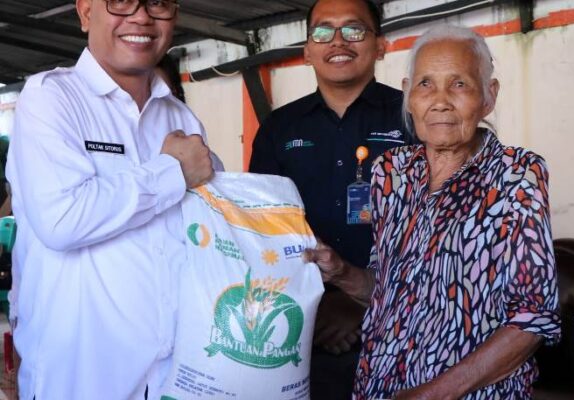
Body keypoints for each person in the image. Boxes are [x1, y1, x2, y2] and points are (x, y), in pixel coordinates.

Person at [313, 25, 561, 399]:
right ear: (409, 96)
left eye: (459, 84)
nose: (440, 100)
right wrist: (342, 273)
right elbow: (386, 291)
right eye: (425, 84)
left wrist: (433, 394)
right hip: (379, 388)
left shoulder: (516, 175)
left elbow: (532, 319)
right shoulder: (391, 172)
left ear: (488, 96)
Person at [6, 0, 215, 398]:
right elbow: (63, 219)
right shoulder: (52, 98)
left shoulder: (181, 119)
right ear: (85, 12)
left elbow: (206, 226)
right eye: (121, 1)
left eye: (157, 3)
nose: (141, 16)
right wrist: (173, 172)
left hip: (174, 376)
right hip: (82, 378)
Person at [248, 0, 410, 398]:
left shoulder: (412, 119)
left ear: (380, 45)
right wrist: (311, 310)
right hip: (301, 331)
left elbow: (435, 227)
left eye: (354, 30)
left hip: (397, 327)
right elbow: (259, 230)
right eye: (323, 31)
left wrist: (361, 302)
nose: (338, 41)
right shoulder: (278, 128)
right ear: (306, 50)